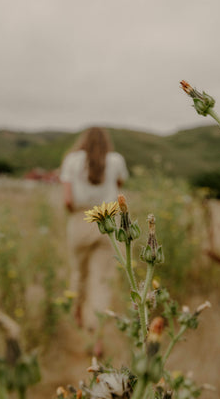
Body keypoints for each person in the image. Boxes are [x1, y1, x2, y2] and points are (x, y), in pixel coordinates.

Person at [60, 127, 128, 350]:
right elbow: (119, 187)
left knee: (79, 272)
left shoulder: (71, 160)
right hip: (109, 218)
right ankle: (97, 335)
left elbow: (67, 200)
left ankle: (77, 313)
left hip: (80, 219)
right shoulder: (116, 159)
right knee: (101, 280)